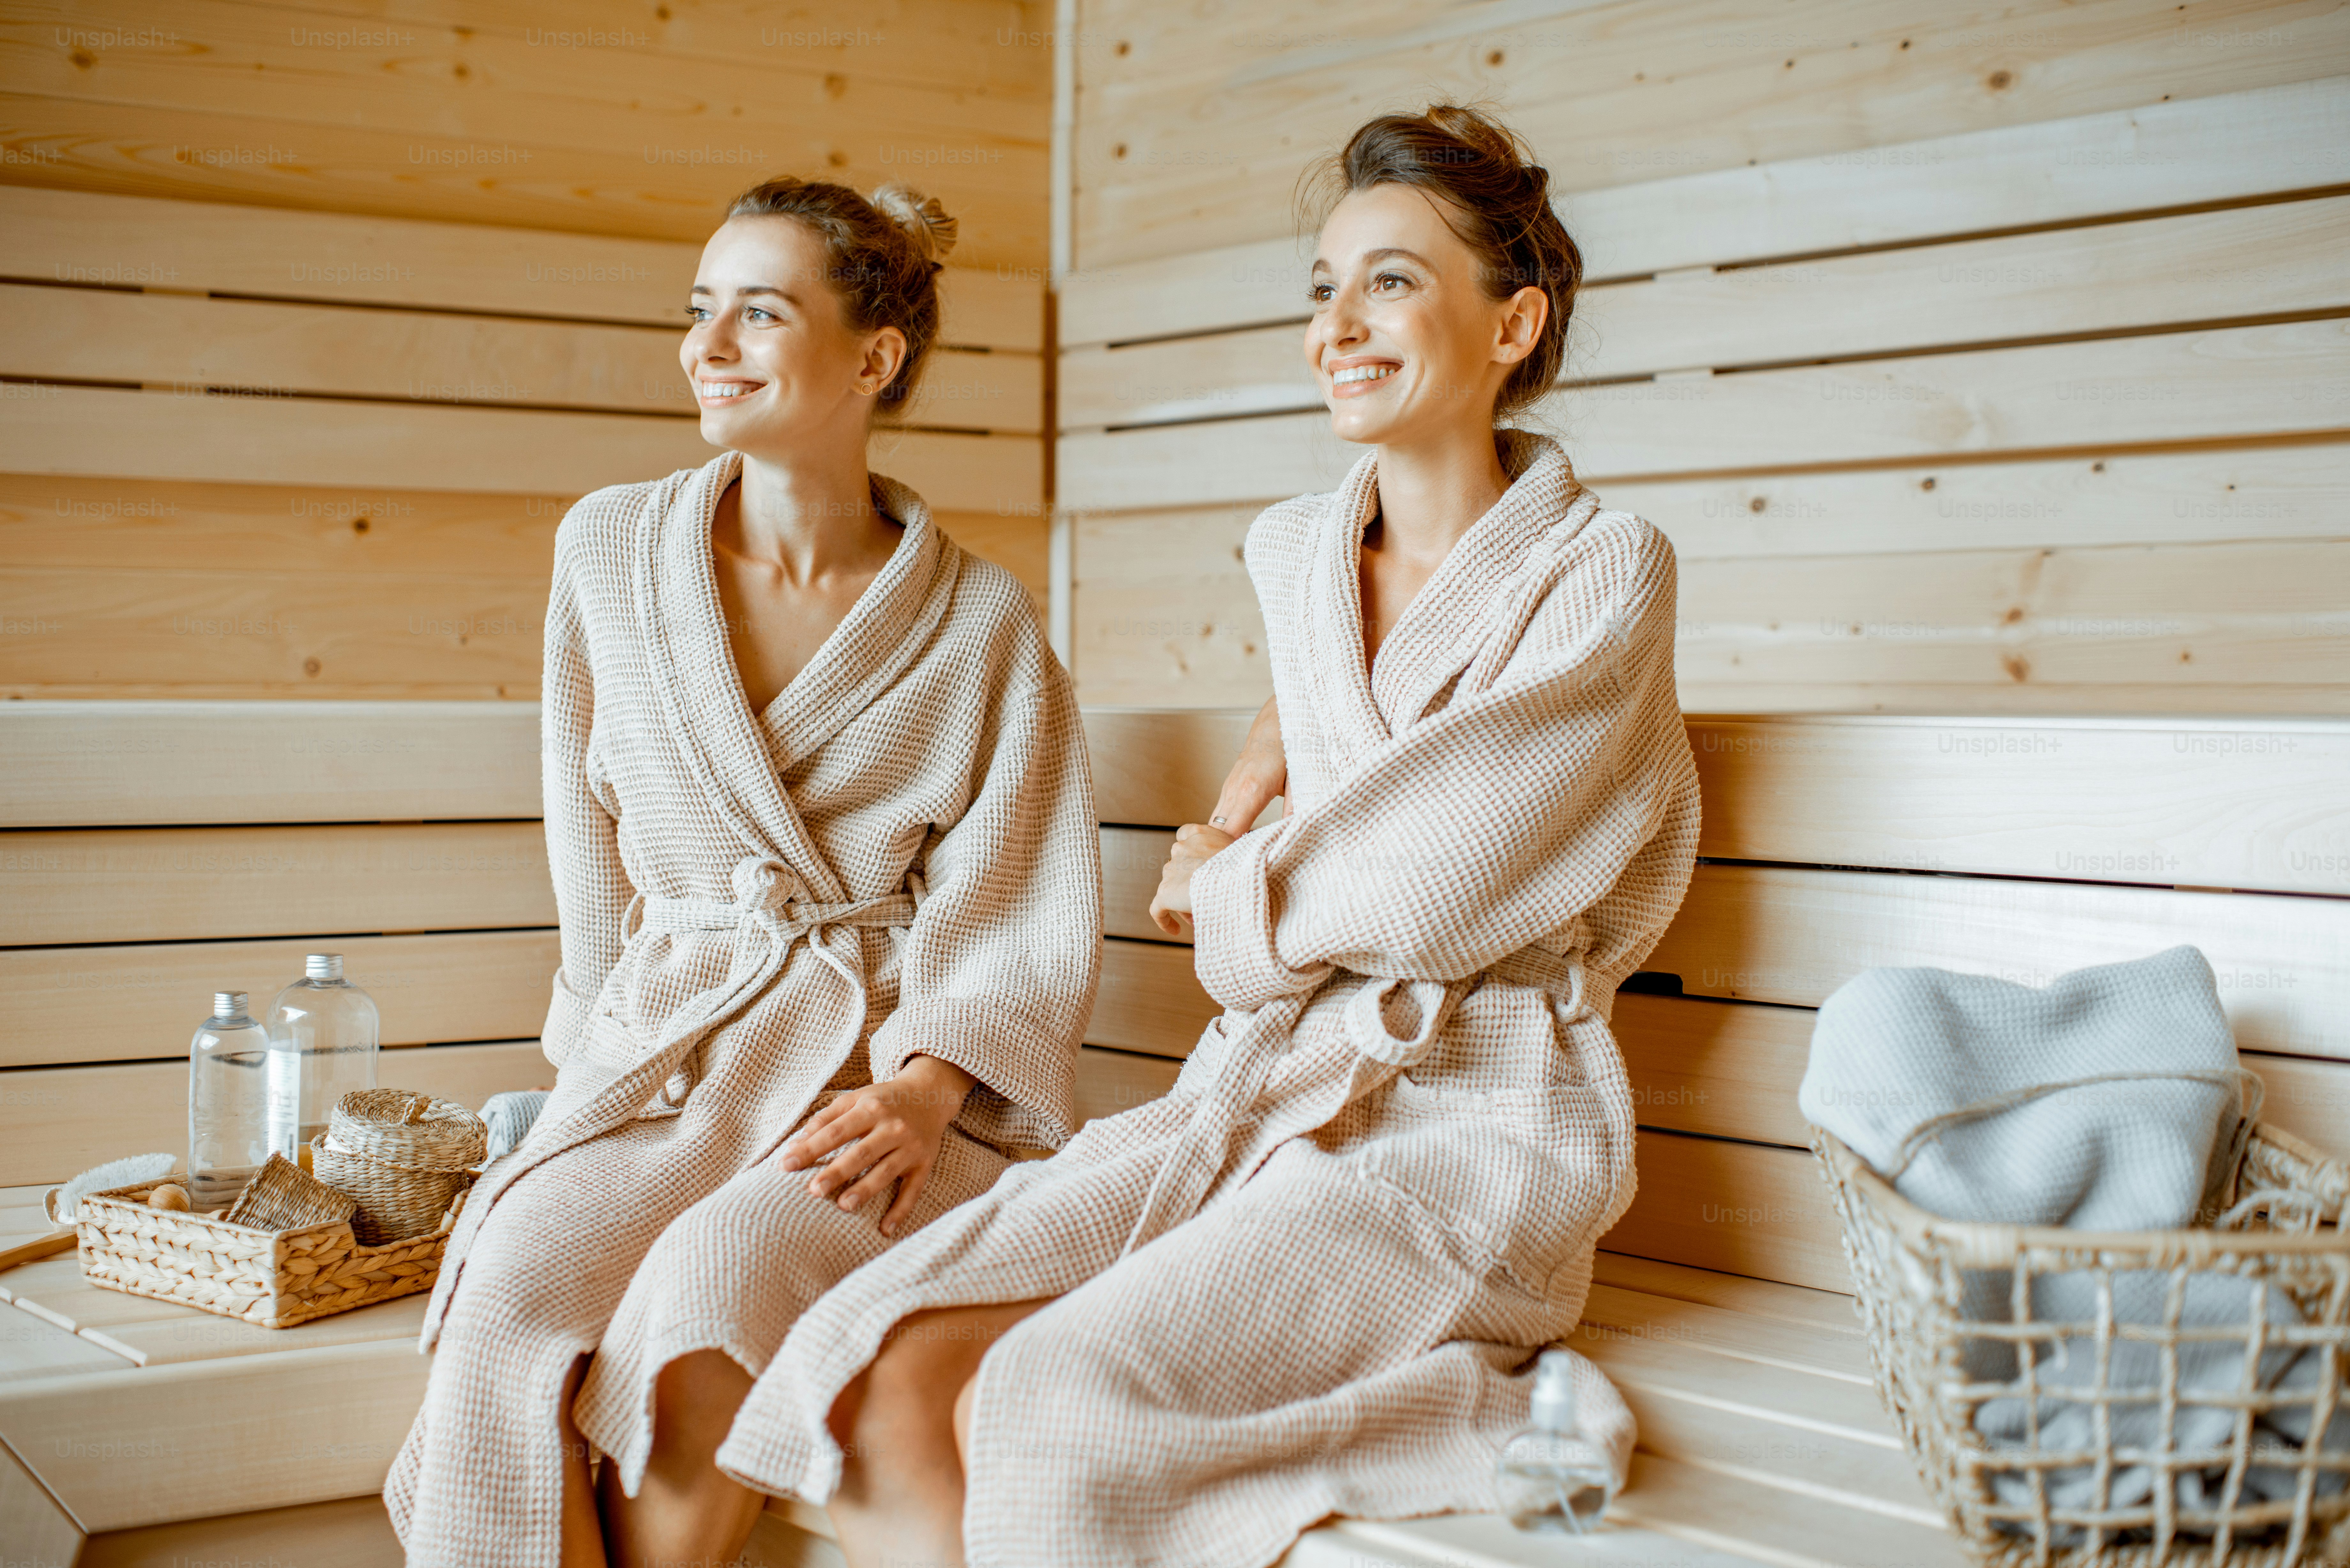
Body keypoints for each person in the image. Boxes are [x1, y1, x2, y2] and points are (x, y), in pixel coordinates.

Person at [711, 104, 1704, 1568]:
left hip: (1474, 1122)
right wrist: (1268, 835)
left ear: (1514, 325)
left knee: (1046, 1392)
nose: (1338, 324)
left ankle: (1467, 1409)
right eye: (1323, 285)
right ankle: (1458, 1407)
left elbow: (1437, 877)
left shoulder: (1603, 568)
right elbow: (1343, 785)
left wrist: (1235, 888)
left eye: (1392, 280)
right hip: (1259, 1082)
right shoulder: (1298, 552)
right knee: (871, 1368)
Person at [386, 176, 1102, 1568]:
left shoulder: (983, 625)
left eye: (757, 313)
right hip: (670, 1056)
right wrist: (589, 1069)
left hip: (881, 1085)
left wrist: (922, 1085)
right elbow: (584, 850)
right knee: (511, 1293)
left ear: (874, 357)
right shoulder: (609, 551)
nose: (706, 346)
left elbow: (1012, 903)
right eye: (699, 310)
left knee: (710, 1293)